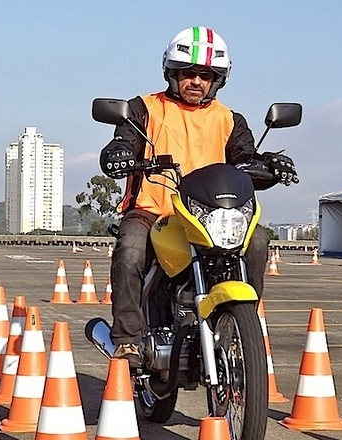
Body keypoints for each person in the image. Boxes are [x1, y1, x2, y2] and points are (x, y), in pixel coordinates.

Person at [99, 26, 297, 368]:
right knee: (130, 249)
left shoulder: (230, 119)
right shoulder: (144, 108)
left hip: (211, 215)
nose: (196, 81)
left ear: (217, 80)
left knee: (258, 242)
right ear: (172, 74)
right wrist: (118, 151)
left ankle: (239, 325)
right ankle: (128, 340)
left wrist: (270, 165)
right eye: (188, 73)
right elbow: (125, 140)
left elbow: (244, 159)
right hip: (154, 211)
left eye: (206, 75)